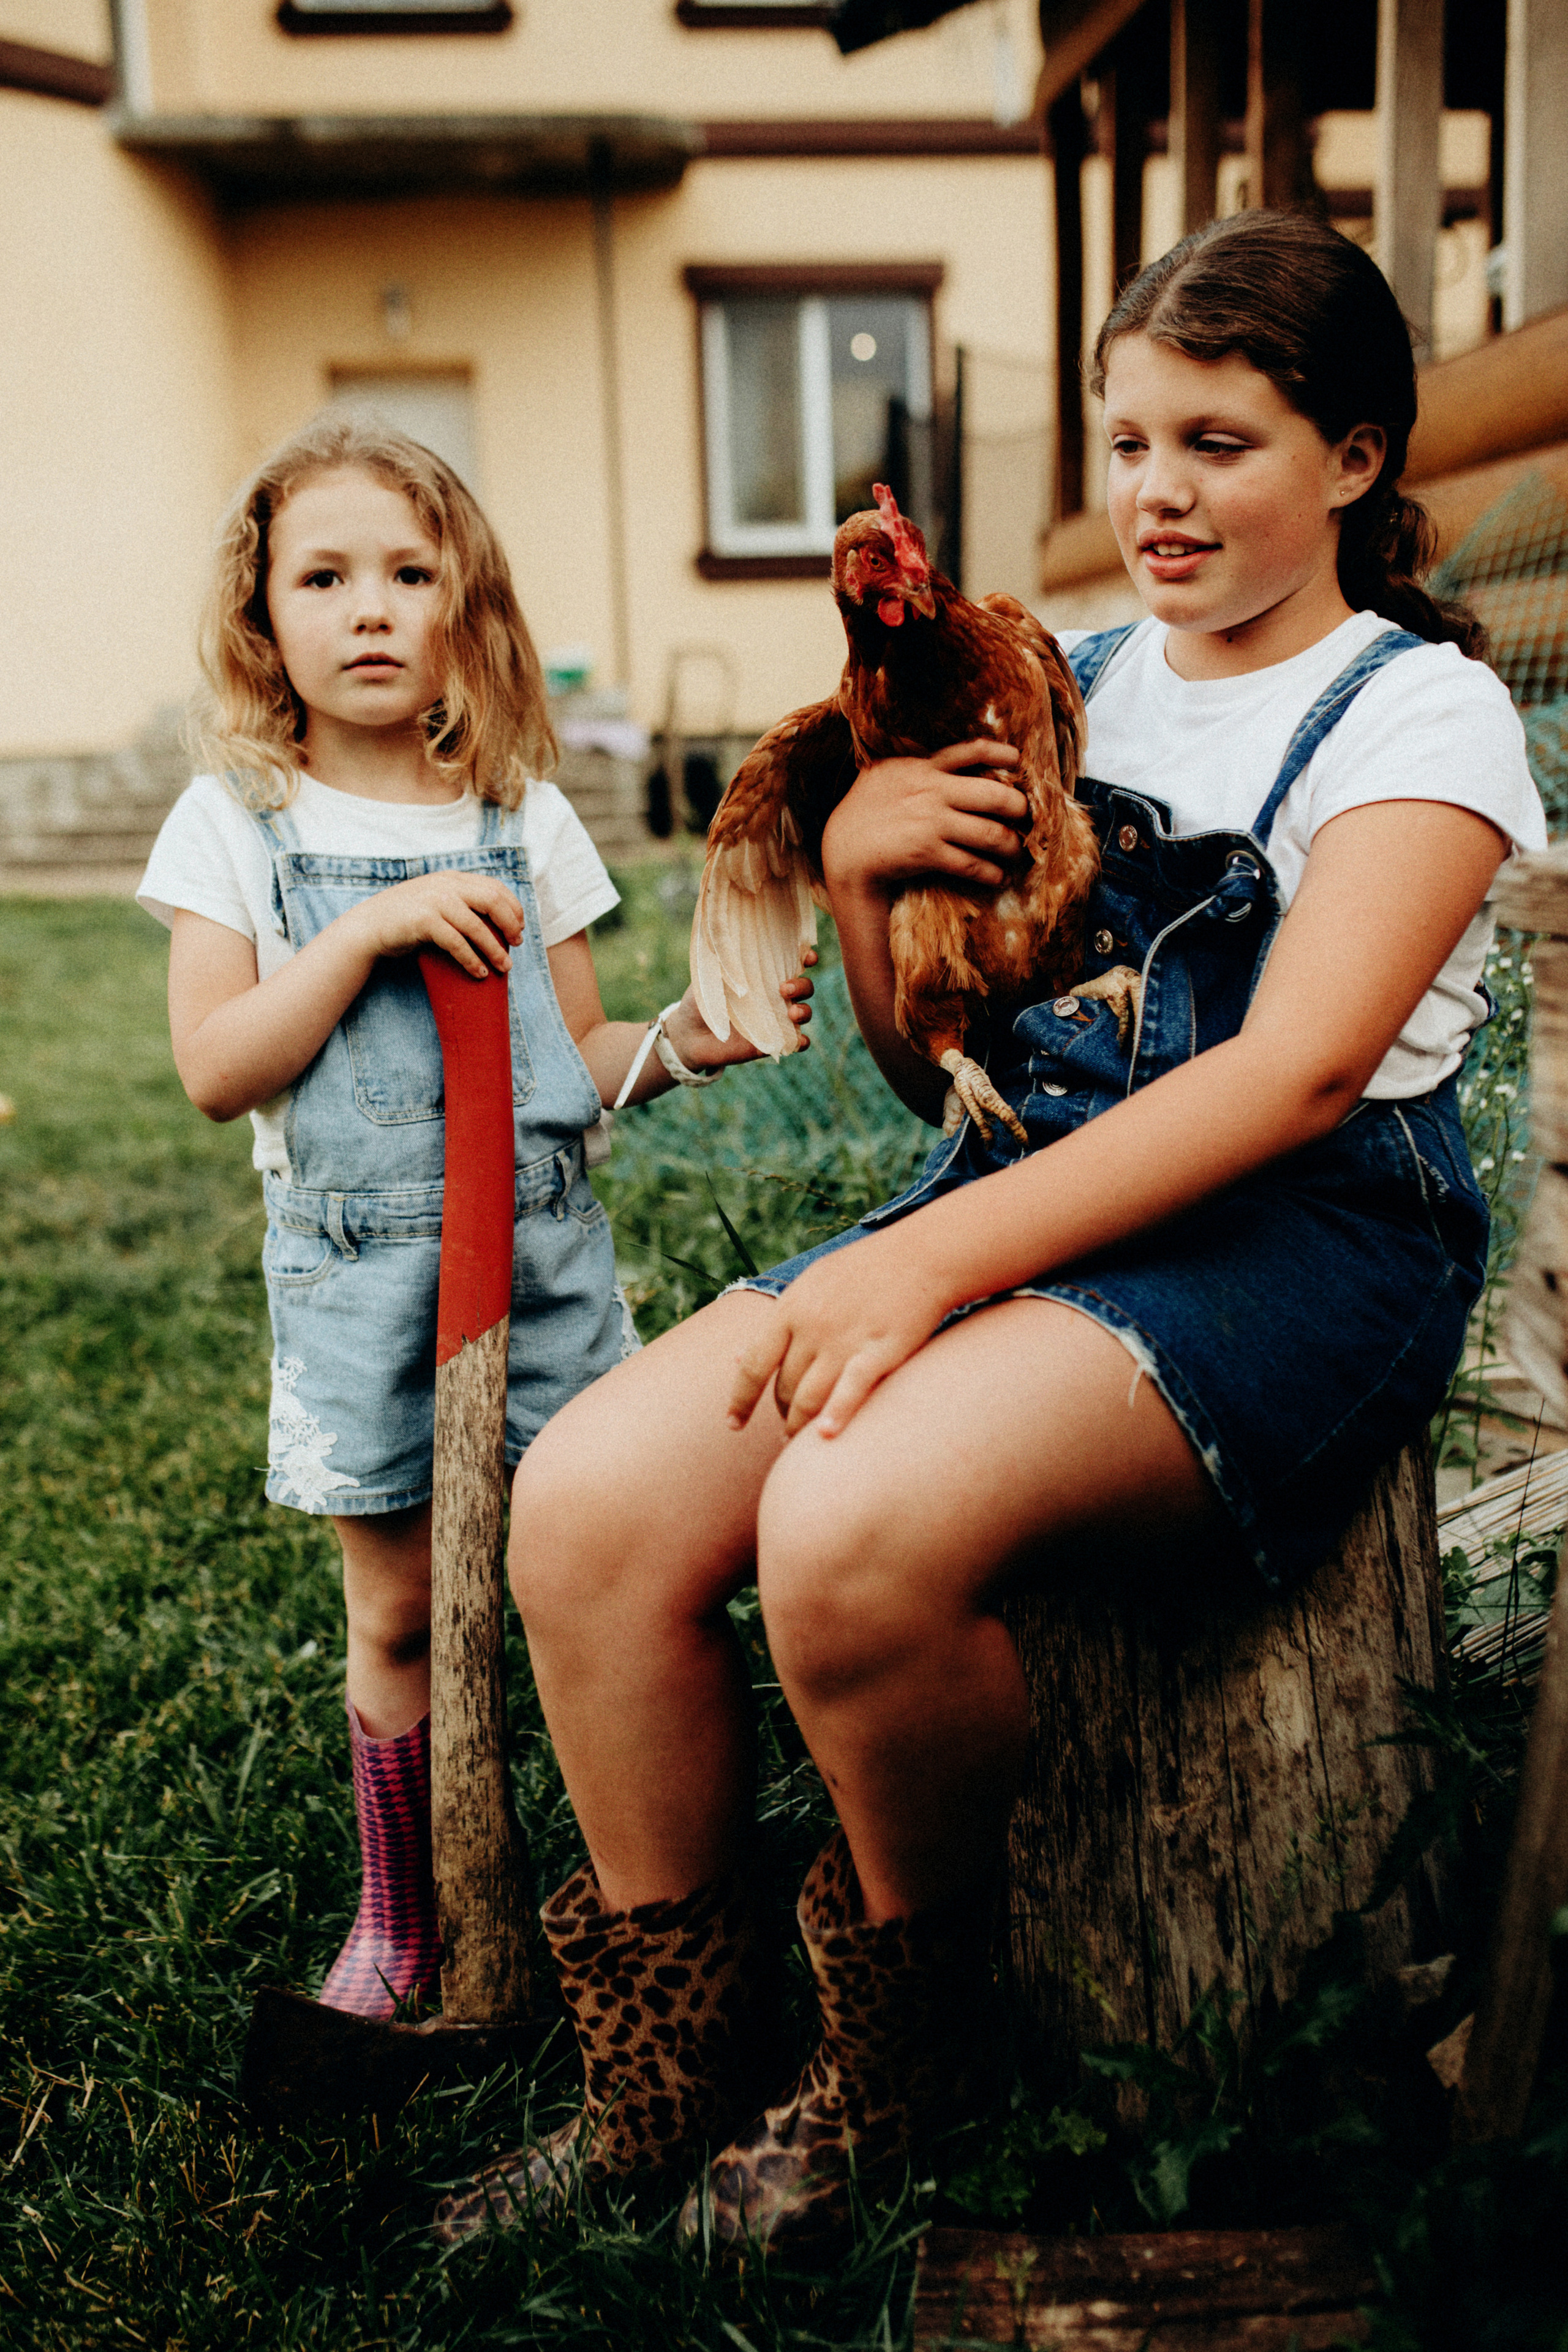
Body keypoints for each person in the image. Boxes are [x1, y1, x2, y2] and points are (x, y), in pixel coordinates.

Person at [431, 209, 1549, 2256]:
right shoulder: (1062, 684)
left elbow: (1294, 1077)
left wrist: (928, 1265)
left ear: (1362, 461)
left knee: (850, 1533)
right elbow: (929, 1058)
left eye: (1216, 442)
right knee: (586, 1505)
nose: (1153, 493)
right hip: (1033, 1190)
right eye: (1127, 442)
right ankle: (664, 2071)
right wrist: (864, 881)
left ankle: (903, 2049)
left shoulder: (1419, 720)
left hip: (1296, 1245)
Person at [137, 415, 811, 2021]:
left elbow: (577, 1062)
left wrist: (698, 1037)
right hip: (367, 1288)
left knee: (589, 1571)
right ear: (262, 617)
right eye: (324, 575)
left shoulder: (524, 813)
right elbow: (218, 1069)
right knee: (399, 1608)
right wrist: (363, 933)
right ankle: (405, 1919)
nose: (368, 609)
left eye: (407, 571)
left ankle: (637, 1894)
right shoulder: (239, 826)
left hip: (550, 1276)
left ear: (466, 606)